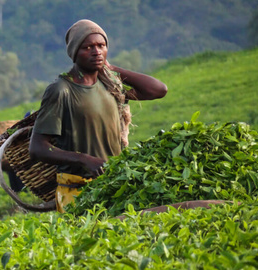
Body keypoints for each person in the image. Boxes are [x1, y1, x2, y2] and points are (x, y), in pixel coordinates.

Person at [29, 19, 168, 213]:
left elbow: (159, 90)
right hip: (76, 191)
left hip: (114, 185)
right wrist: (84, 159)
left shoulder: (111, 85)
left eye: (101, 46)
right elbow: (37, 148)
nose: (96, 52)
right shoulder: (61, 91)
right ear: (75, 52)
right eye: (88, 47)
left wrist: (112, 69)